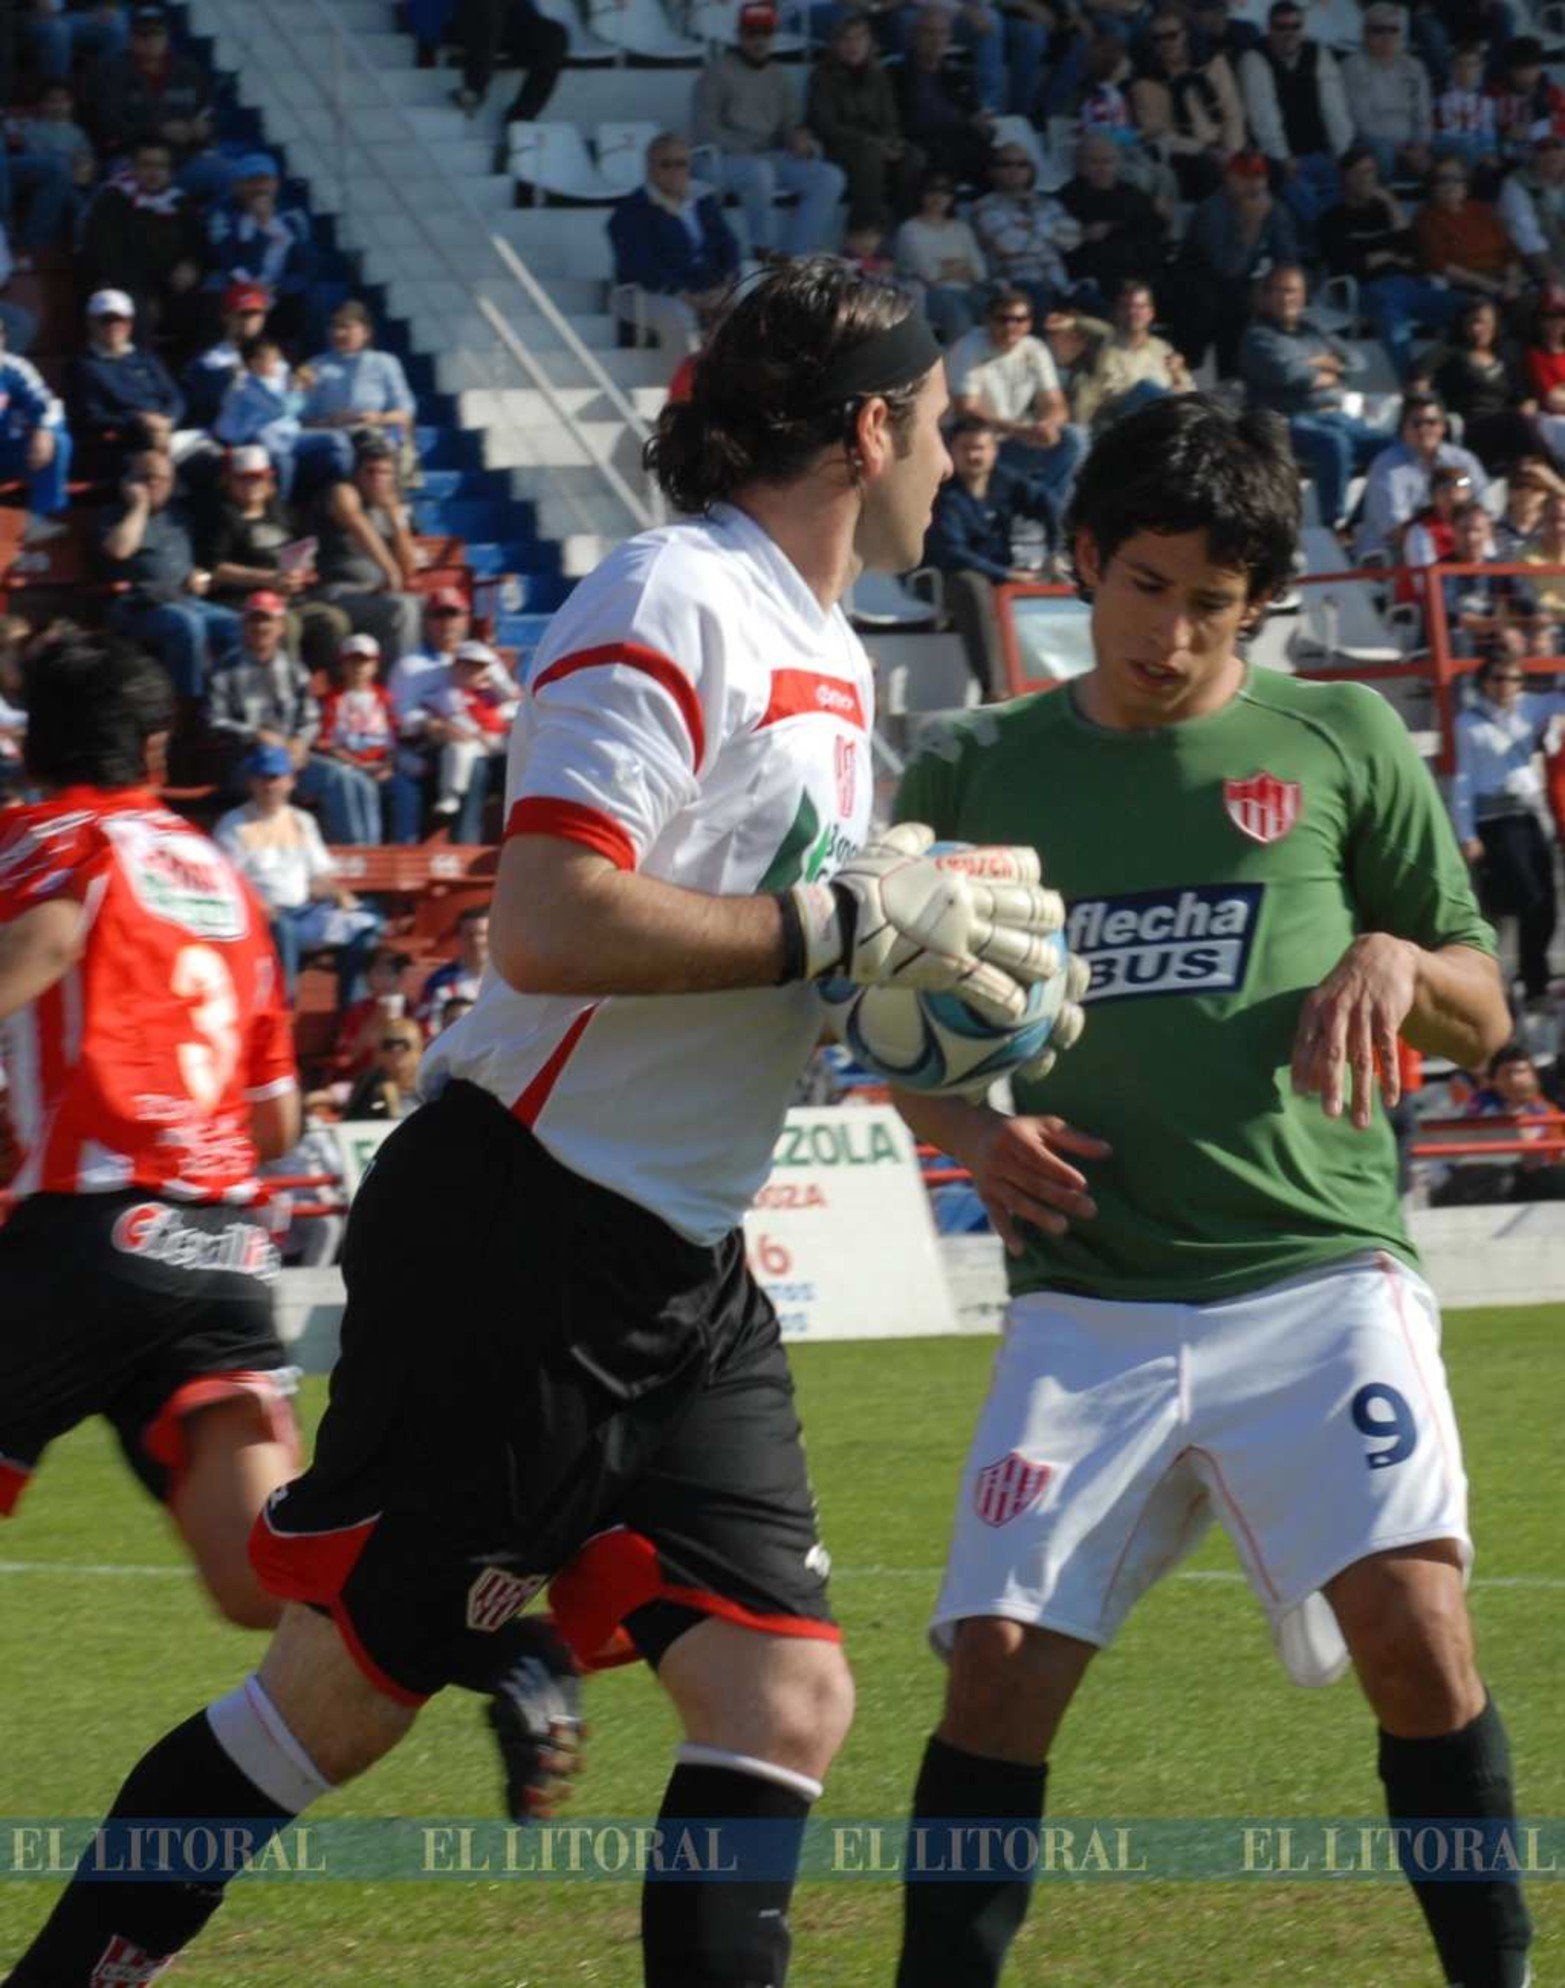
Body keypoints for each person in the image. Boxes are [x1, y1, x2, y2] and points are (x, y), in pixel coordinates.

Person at [0, 256, 1072, 1988]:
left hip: (679, 1261)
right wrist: (838, 926)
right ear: (871, 426)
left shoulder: (829, 650)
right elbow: (551, 919)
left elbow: (811, 957)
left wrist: (961, 1101)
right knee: (330, 1708)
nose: (959, 458)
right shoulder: (674, 594)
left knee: (782, 1690)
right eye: (943, 423)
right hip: (522, 1235)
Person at [888, 392, 1528, 1988]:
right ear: (1084, 559)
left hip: (1316, 1279)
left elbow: (1483, 1001)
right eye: (1146, 585)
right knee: (997, 1671)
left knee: (1415, 1633)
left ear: (1261, 609)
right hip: (1086, 1299)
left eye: (1214, 606)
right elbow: (878, 1008)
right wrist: (964, 1134)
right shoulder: (971, 766)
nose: (1170, 635)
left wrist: (1396, 956)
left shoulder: (1340, 740)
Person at [0, 631, 302, 1631]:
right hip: (222, 1251)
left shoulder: (49, 839)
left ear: (33, 756)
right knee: (274, 1579)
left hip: (86, 1236)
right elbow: (276, 1121)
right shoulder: (227, 882)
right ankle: (507, 1636)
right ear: (158, 756)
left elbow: (40, 945)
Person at [214, 742, 382, 1007]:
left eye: (276, 778)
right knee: (284, 929)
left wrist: (339, 894)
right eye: (263, 778)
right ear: (252, 783)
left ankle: (350, 1011)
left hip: (304, 912)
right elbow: (229, 883)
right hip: (261, 918)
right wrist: (260, 906)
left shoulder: (302, 821)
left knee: (367, 924)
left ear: (290, 781)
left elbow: (318, 876)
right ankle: (285, 1010)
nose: (270, 786)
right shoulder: (234, 823)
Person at [1450, 647, 1565, 1005]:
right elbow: (1464, 778)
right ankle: (1519, 981)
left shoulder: (1532, 706)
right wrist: (1466, 832)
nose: (1507, 685)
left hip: (1530, 816)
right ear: (1485, 682)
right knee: (1524, 899)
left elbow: (1560, 701)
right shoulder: (1468, 723)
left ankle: (1535, 981)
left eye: (1514, 678)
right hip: (1495, 820)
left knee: (1546, 903)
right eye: (1498, 678)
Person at [691, 2, 846, 259]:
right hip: (719, 160)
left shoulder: (779, 75)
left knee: (830, 177)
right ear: (739, 35)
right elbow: (706, 131)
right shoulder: (716, 73)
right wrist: (748, 152)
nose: (759, 40)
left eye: (766, 33)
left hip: (766, 157)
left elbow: (789, 123)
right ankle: (762, 250)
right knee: (759, 171)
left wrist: (798, 138)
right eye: (752, 33)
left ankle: (793, 256)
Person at [1238, 263, 1385, 529]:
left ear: (1304, 295)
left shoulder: (1313, 330)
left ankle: (1358, 522)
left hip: (1334, 415)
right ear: (1267, 296)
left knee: (1389, 447)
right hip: (1287, 420)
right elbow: (1290, 375)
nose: (1287, 298)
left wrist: (1320, 364)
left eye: (1293, 291)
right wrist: (1328, 367)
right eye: (1280, 291)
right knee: (1334, 443)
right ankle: (1333, 525)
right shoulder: (1257, 337)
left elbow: (1356, 361)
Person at [924, 411, 1058, 695]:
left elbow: (1049, 505)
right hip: (944, 578)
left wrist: (1055, 551)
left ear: (994, 451)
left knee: (1060, 574)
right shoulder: (942, 495)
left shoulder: (1005, 482)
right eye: (966, 449)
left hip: (1002, 576)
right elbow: (951, 552)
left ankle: (1060, 685)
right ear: (952, 452)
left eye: (980, 448)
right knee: (972, 584)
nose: (974, 456)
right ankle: (994, 692)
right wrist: (1008, 574)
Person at [101, 448, 242, 698]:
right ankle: (189, 704)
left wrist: (198, 576)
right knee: (187, 625)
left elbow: (196, 567)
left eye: (161, 479)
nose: (153, 483)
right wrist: (140, 507)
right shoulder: (114, 515)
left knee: (236, 625)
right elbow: (119, 549)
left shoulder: (179, 517)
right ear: (129, 481)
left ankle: (225, 698)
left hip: (184, 599)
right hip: (138, 607)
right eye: (145, 477)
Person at [948, 287, 1086, 514]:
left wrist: (1047, 425)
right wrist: (1021, 430)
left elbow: (1055, 402)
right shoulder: (969, 347)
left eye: (1019, 319)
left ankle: (1048, 511)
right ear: (988, 321)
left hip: (1014, 440)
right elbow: (966, 409)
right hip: (973, 444)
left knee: (1075, 438)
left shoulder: (1035, 349)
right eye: (1003, 319)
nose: (1011, 326)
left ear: (1029, 323)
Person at [607, 134, 742, 361]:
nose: (675, 171)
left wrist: (725, 286)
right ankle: (684, 389)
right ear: (650, 168)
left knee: (753, 303)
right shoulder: (630, 212)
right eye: (666, 164)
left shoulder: (703, 202)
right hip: (648, 292)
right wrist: (685, 295)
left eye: (681, 164)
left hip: (706, 286)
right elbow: (641, 267)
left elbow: (728, 247)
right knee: (679, 316)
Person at [1171, 149, 1300, 375]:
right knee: (1233, 307)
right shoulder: (1212, 210)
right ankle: (1224, 379)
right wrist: (1251, 227)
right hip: (1200, 288)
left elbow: (1288, 259)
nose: (1254, 186)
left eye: (1259, 178)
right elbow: (1227, 268)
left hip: (1244, 285)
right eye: (1245, 178)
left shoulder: (1273, 208)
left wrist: (1270, 287)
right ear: (1230, 178)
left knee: (1279, 296)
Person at [384, 587, 491, 843]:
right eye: (439, 615)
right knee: (472, 765)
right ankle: (464, 847)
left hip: (484, 740)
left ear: (466, 618)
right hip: (430, 748)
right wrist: (433, 725)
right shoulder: (410, 666)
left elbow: (508, 699)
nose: (447, 623)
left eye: (453, 614)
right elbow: (399, 717)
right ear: (427, 622)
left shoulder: (484, 659)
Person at [1238, 0, 1352, 236]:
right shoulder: (1254, 59)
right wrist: (1283, 158)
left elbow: (1335, 109)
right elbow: (1263, 118)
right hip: (1279, 159)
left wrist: (1341, 155)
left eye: (1295, 26)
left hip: (1321, 153)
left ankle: (1334, 244)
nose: (1289, 33)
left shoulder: (1318, 53)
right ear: (1269, 29)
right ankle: (1326, 242)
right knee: (1299, 193)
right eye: (1281, 27)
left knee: (1348, 186)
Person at [806, 11, 925, 232]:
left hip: (877, 143)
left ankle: (908, 229)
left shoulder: (879, 74)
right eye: (846, 39)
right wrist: (872, 142)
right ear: (836, 44)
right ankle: (865, 231)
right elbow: (826, 125)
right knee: (869, 157)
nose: (853, 45)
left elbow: (890, 119)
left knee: (912, 156)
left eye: (859, 38)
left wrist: (892, 142)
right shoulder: (822, 76)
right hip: (841, 147)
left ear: (869, 42)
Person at [309, 438, 424, 662]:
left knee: (428, 606)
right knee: (403, 608)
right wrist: (390, 571)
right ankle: (400, 686)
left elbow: (409, 570)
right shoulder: (342, 493)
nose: (377, 478)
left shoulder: (390, 508)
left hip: (376, 593)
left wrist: (395, 518)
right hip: (338, 591)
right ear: (357, 474)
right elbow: (356, 522)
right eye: (370, 471)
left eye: (385, 472)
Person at [80, 138, 203, 339]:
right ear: (134, 168)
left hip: (171, 287)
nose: (154, 172)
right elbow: (106, 257)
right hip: (125, 285)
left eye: (161, 166)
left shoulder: (180, 202)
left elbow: (199, 244)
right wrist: (148, 295)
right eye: (146, 165)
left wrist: (192, 264)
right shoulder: (113, 200)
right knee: (136, 310)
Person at [1129, 5, 1247, 201]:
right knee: (1207, 173)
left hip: (1226, 146)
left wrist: (1231, 153)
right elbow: (1159, 133)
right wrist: (1206, 152)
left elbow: (1232, 112)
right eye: (1158, 38)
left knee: (1270, 170)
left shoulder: (1212, 64)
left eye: (1172, 35)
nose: (1166, 43)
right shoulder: (1145, 83)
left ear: (1185, 35)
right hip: (1186, 154)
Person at [66, 288, 185, 476]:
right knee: (153, 462)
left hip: (165, 432)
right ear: (91, 323)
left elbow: (175, 398)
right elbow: (91, 416)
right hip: (122, 442)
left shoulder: (147, 358)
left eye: (121, 320)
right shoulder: (82, 367)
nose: (114, 326)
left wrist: (167, 421)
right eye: (106, 320)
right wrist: (139, 421)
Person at [1356, 391, 1487, 558]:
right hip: (1394, 555)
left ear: (1443, 426)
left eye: (1431, 422)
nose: (1425, 429)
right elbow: (1397, 532)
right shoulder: (1386, 467)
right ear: (1403, 429)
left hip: (1459, 551)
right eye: (1417, 423)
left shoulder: (1464, 461)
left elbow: (1484, 511)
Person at [1056, 133, 1169, 311]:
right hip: (1097, 270)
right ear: (1080, 165)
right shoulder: (1068, 197)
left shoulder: (1132, 194)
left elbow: (1153, 226)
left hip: (1141, 266)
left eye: (1108, 161)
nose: (1103, 168)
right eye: (1094, 162)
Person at [971, 141, 1081, 318]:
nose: (1014, 169)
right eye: (1005, 164)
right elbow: (1008, 244)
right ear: (993, 171)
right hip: (1014, 284)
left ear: (1031, 170)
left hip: (1059, 284)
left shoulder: (1048, 203)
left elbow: (1073, 240)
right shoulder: (985, 206)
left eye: (1022, 164)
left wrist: (1031, 228)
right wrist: (1049, 233)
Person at [892, 6, 995, 188]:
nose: (937, 40)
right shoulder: (894, 75)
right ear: (914, 36)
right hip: (923, 143)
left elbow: (975, 114)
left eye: (943, 33)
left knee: (1007, 162)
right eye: (929, 33)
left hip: (962, 142)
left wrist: (984, 125)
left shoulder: (959, 74)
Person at [1074, 277, 1191, 431]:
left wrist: (1177, 375)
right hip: (1117, 423)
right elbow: (1085, 398)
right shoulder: (1103, 344)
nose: (1133, 312)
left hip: (1159, 424)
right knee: (1147, 388)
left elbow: (1189, 392)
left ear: (1150, 313)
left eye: (1140, 307)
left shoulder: (1163, 349)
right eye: (1126, 306)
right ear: (1117, 311)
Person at [1343, 2, 1434, 181]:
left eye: (1393, 30)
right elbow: (1362, 122)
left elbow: (1424, 115)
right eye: (1378, 30)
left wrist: (1421, 146)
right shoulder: (1352, 67)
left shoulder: (1414, 66)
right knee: (1381, 152)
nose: (1387, 36)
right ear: (1364, 33)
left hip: (1413, 144)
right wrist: (1403, 150)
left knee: (1459, 150)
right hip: (1373, 143)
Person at [893, 171, 988, 344]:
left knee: (995, 307)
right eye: (931, 190)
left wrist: (945, 267)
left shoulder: (961, 228)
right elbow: (930, 274)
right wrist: (961, 266)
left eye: (945, 191)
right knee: (958, 314)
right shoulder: (909, 229)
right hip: (930, 295)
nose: (938, 197)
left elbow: (980, 272)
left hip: (969, 291)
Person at [1415, 156, 1522, 302]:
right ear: (1432, 185)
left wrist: (1512, 283)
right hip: (1468, 286)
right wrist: (1491, 286)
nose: (1450, 185)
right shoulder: (1427, 218)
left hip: (1505, 279)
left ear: (1466, 184)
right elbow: (1438, 264)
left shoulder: (1482, 209)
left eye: (1457, 178)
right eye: (1442, 179)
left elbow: (1510, 250)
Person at [0, 327, 72, 542]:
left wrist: (43, 430)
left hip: (12, 453)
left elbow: (47, 404)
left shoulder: (14, 368)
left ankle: (41, 518)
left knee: (57, 439)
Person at [449, 0, 568, 126]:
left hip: (507, 22)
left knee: (554, 36)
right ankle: (474, 88)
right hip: (467, 21)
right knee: (486, 8)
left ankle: (520, 120)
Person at [416, 902, 490, 1020]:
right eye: (469, 935)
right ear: (459, 939)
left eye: (482, 934)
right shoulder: (439, 981)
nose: (476, 941)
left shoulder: (511, 978)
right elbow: (426, 1025)